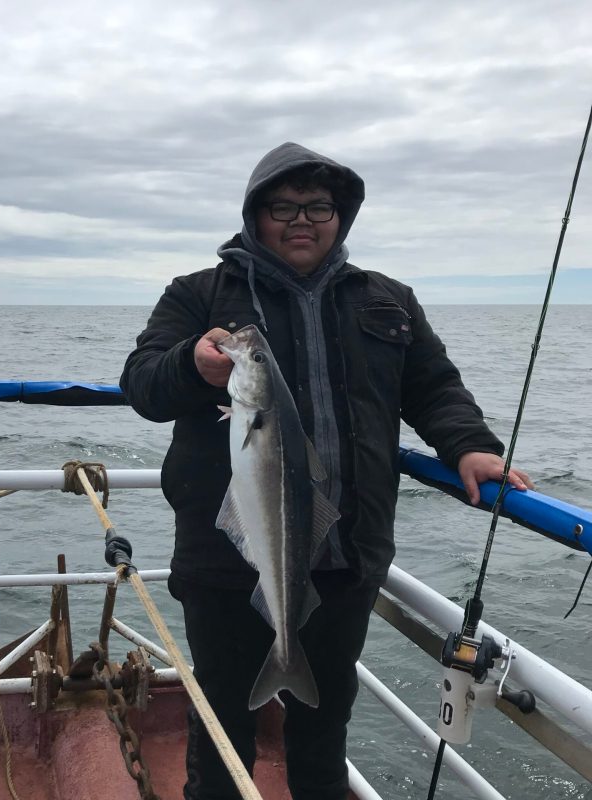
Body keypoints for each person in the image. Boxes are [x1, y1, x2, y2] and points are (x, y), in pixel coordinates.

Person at [119, 142, 532, 800]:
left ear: (342, 216)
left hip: (344, 562)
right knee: (222, 727)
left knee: (324, 729)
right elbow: (141, 384)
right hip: (223, 561)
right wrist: (189, 368)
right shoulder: (199, 295)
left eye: (319, 207)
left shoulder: (388, 301)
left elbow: (434, 389)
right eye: (284, 207)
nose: (302, 220)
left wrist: (468, 445)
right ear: (256, 215)